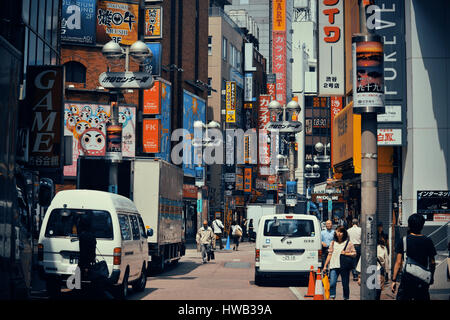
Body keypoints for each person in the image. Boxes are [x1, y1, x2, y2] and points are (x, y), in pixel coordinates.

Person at [391, 213, 436, 300]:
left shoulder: (403, 240)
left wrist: (394, 280)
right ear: (422, 226)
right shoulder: (428, 241)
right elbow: (432, 262)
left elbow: (398, 262)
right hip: (422, 280)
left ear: (409, 225)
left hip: (406, 281)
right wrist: (431, 277)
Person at [323, 226, 357, 300]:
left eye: (341, 232)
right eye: (337, 231)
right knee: (332, 283)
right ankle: (332, 297)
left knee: (345, 285)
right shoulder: (332, 243)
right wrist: (325, 266)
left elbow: (354, 254)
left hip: (344, 267)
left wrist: (346, 253)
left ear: (344, 233)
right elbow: (329, 254)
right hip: (333, 266)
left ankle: (346, 297)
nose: (339, 233)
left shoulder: (348, 243)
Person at [356, 235, 389, 300]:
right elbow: (386, 261)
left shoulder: (366, 248)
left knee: (367, 292)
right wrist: (387, 272)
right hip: (378, 271)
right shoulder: (383, 248)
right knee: (377, 293)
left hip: (367, 271)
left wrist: (359, 275)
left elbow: (361, 260)